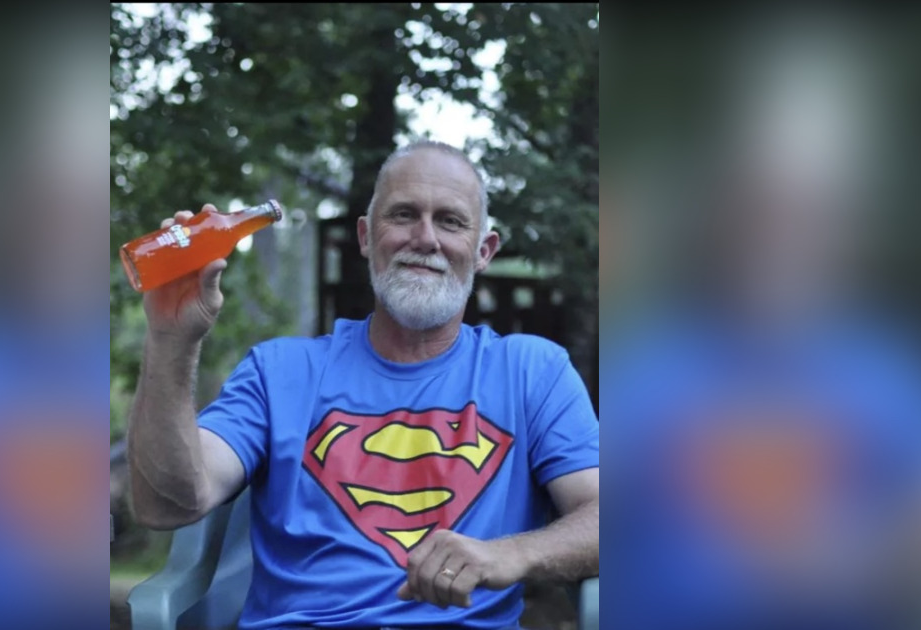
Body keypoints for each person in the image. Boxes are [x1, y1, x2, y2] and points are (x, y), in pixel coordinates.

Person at [128, 140, 600, 629]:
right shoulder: (279, 372)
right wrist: (171, 338)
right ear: (366, 237)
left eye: (450, 221)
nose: (425, 238)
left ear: (484, 251)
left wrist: (512, 554)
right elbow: (166, 503)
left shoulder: (532, 371)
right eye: (403, 215)